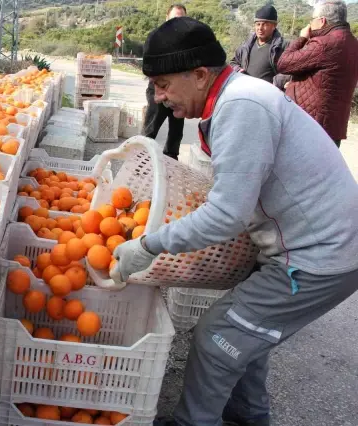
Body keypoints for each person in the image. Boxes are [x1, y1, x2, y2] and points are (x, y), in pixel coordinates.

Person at [110, 17, 358, 426]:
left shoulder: (243, 106)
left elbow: (227, 214)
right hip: (303, 243)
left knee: (217, 337)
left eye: (163, 85)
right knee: (249, 336)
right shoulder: (231, 98)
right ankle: (247, 415)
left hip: (318, 257)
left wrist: (148, 245)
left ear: (200, 74)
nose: (158, 98)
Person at [277, 0, 358, 147]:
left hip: (311, 125)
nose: (310, 24)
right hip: (334, 126)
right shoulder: (353, 43)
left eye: (312, 20)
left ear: (322, 21)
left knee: (300, 168)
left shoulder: (324, 44)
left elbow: (283, 63)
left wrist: (302, 38)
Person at [143, 3, 187, 160]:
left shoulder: (188, 41)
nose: (178, 22)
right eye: (174, 18)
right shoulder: (155, 37)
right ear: (166, 18)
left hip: (179, 93)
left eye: (182, 19)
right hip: (159, 90)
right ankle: (140, 162)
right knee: (150, 129)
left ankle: (171, 160)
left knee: (176, 132)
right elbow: (149, 65)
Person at [230, 5, 287, 85]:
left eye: (265, 24)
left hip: (268, 95)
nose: (260, 28)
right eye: (258, 24)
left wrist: (276, 82)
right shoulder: (246, 45)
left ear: (274, 26)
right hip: (245, 91)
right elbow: (233, 62)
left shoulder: (283, 46)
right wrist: (239, 70)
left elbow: (292, 70)